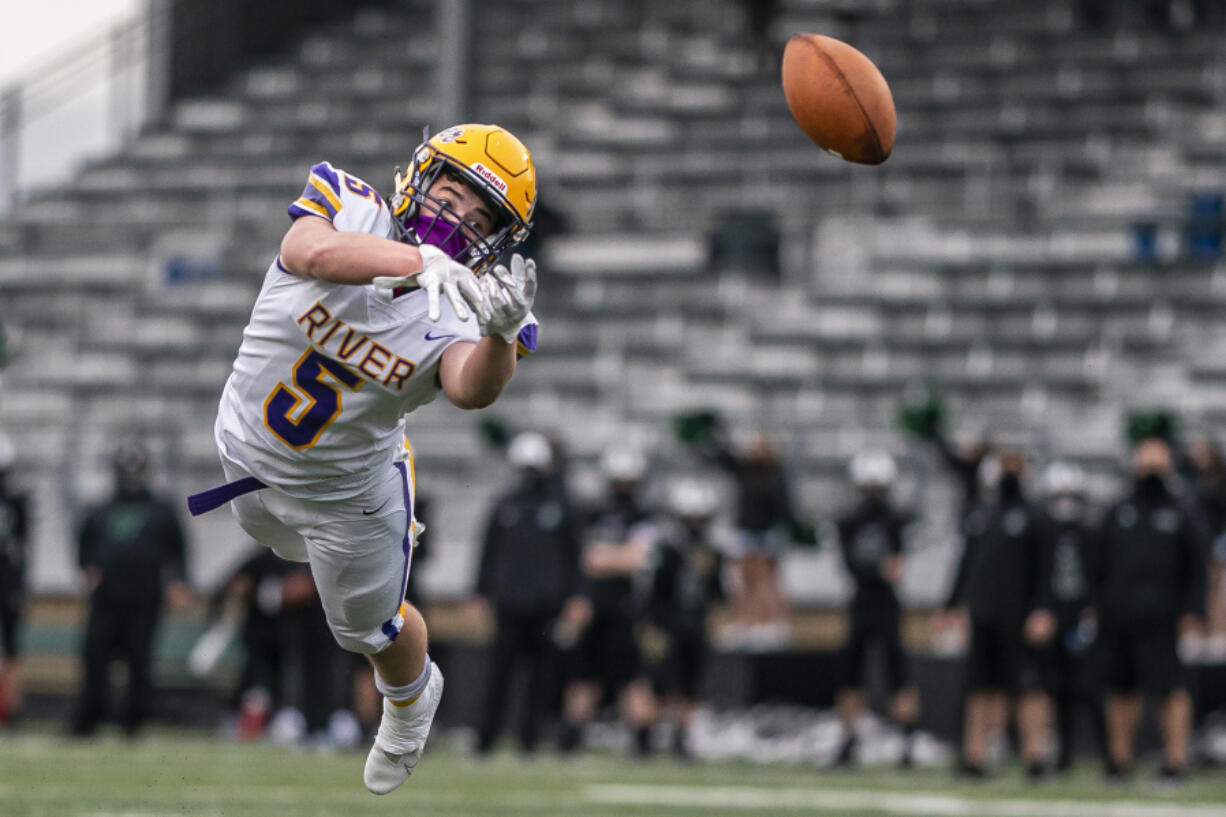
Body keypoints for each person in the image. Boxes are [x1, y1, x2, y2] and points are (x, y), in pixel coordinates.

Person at [187, 123, 540, 794]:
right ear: (419, 175)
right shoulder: (351, 205)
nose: (458, 215)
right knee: (266, 538)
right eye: (453, 191)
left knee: (367, 631)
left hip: (351, 492)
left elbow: (470, 389)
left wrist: (498, 335)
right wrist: (418, 263)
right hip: (246, 454)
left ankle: (410, 704)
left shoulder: (476, 304)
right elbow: (309, 250)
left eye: (480, 214)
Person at [1091, 436, 1206, 783]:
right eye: (1146, 460)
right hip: (1119, 615)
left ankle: (1175, 761)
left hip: (1164, 617)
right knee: (1120, 690)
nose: (1151, 468)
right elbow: (1098, 563)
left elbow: (1197, 567)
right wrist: (1096, 605)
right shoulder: (1118, 510)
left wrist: (1193, 610)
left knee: (1169, 690)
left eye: (1158, 461)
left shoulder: (1181, 512)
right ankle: (1119, 761)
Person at [467, 431, 589, 755]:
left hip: (548, 606)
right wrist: (479, 593)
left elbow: (576, 557)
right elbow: (488, 552)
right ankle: (485, 740)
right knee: (499, 674)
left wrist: (578, 596)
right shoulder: (505, 505)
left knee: (541, 677)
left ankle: (529, 741)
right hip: (509, 604)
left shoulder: (563, 507)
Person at [941, 450, 1055, 779]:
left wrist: (1043, 610)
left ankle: (1035, 755)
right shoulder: (980, 514)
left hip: (1020, 616)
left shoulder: (1035, 517)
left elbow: (1046, 570)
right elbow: (966, 564)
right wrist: (951, 604)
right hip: (983, 613)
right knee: (979, 686)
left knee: (1028, 686)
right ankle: (975, 754)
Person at [71, 441, 190, 737]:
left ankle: (134, 721)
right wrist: (86, 569)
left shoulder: (161, 511)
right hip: (107, 598)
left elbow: (179, 550)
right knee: (96, 656)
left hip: (144, 597)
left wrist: (177, 581)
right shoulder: (101, 510)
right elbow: (84, 545)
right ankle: (89, 718)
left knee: (139, 659)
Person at [560, 445, 657, 755]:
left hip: (627, 608)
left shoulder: (645, 515)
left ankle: (643, 743)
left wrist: (606, 558)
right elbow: (585, 559)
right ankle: (572, 741)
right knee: (584, 676)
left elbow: (639, 559)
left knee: (631, 677)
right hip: (593, 607)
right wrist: (615, 559)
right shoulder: (594, 512)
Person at [833, 450, 920, 768]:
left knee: (897, 672)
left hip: (886, 602)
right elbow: (851, 566)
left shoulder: (895, 519)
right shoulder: (850, 521)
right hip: (863, 600)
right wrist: (877, 569)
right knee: (851, 673)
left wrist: (881, 569)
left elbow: (895, 567)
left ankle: (907, 739)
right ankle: (848, 738)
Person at [639, 478, 728, 759]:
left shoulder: (712, 552)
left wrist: (710, 574)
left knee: (690, 685)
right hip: (668, 625)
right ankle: (645, 738)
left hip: (695, 625)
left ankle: (681, 737)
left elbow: (719, 595)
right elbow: (654, 591)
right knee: (660, 685)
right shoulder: (667, 550)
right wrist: (651, 625)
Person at [1037, 461, 1097, 772]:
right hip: (1050, 617)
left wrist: (1093, 610)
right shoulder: (1042, 534)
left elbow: (1100, 576)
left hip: (1081, 617)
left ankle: (1107, 754)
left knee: (1090, 687)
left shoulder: (1090, 534)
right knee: (1050, 686)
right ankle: (1053, 749)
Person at [0, 433, 29, 729]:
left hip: (7, 580)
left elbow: (23, 547)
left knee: (12, 648)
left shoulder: (15, 501)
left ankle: (13, 711)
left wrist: (19, 584)